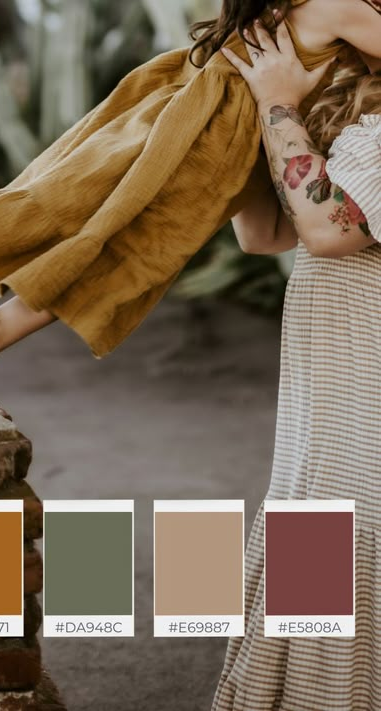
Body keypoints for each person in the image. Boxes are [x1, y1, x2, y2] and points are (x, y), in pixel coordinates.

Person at [0, 0, 381, 413]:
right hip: (220, 134)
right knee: (132, 243)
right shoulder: (341, 5)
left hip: (190, 96)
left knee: (73, 205)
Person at [210, 14, 381, 710]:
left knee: (343, 536)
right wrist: (252, 115)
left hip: (365, 393)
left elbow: (324, 226)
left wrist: (279, 103)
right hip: (332, 390)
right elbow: (265, 231)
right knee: (318, 532)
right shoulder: (363, 113)